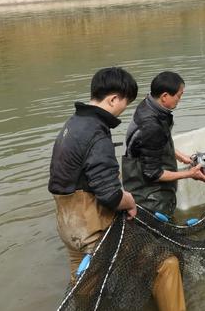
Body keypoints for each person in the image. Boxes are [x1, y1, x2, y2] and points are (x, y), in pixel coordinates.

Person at [49, 67, 186, 311]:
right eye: (125, 102)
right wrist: (130, 201)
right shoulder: (96, 134)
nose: (125, 109)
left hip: (67, 225)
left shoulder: (74, 123)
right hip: (91, 227)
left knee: (84, 285)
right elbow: (110, 194)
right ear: (113, 98)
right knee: (166, 263)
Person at [122, 71, 205, 220]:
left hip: (144, 175)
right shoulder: (151, 125)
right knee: (156, 228)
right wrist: (190, 173)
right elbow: (152, 174)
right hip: (149, 195)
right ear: (164, 96)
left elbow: (152, 145)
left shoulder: (149, 105)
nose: (180, 100)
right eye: (179, 96)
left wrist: (180, 155)